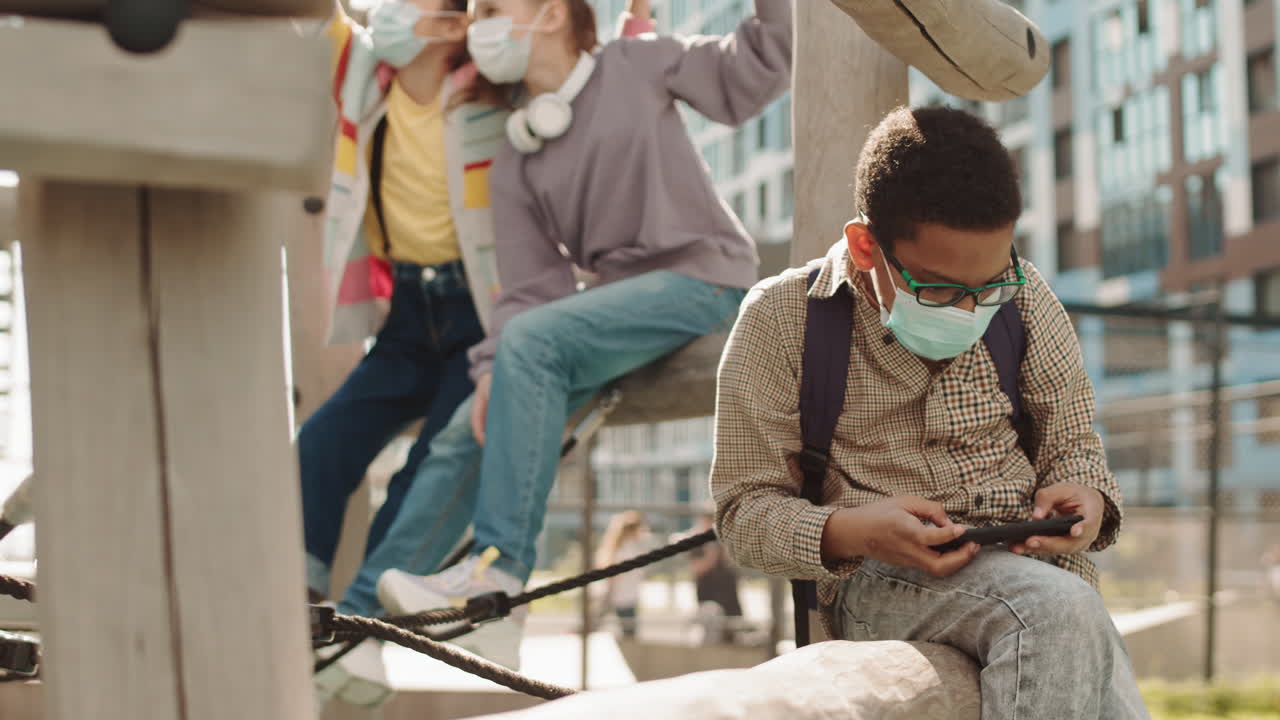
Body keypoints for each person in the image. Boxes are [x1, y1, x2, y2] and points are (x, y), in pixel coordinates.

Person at [355, 0, 790, 674]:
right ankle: (363, 624)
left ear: (554, 13)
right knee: (462, 430)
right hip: (616, 308)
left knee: (523, 348)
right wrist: (496, 369)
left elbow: (757, 67)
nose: (481, 25)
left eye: (495, 8)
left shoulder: (638, 63)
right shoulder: (517, 157)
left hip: (706, 278)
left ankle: (496, 579)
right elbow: (531, 292)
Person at [711, 106, 1150, 719]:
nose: (972, 310)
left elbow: (1071, 441)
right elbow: (742, 514)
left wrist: (1086, 497)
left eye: (991, 285)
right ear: (866, 246)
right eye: (941, 290)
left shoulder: (1027, 298)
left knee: (1066, 615)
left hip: (1042, 576)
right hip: (880, 580)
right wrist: (854, 530)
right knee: (1057, 611)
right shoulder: (782, 320)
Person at [305, 0, 653, 707]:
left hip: (478, 308)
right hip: (404, 313)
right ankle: (302, 596)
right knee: (319, 446)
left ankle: (366, 633)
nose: (420, 15)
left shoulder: (495, 91)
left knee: (428, 473)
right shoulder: (367, 75)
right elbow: (324, 18)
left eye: (442, 7)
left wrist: (638, 27)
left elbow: (583, 86)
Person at [593, 511, 653, 638]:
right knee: (629, 634)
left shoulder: (626, 548)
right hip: (623, 598)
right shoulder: (625, 551)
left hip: (626, 597)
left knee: (626, 632)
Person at [685, 512, 743, 644]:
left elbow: (734, 564)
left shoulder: (725, 541)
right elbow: (696, 568)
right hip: (708, 598)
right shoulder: (697, 542)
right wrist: (711, 554)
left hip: (729, 599)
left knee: (732, 637)